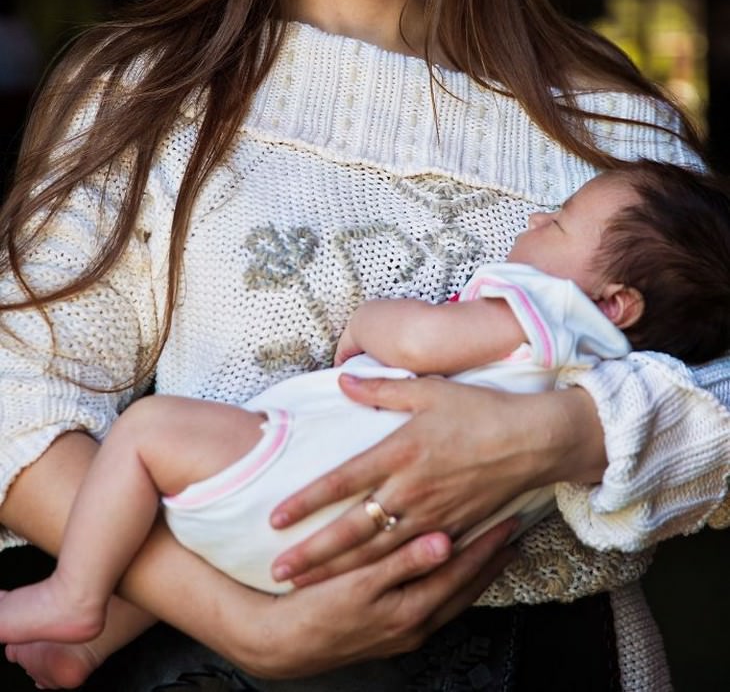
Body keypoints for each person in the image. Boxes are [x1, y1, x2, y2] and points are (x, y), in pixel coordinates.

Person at [1, 0, 728, 692]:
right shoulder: (155, 95)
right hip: (219, 666)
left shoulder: (604, 119)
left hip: (559, 667)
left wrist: (560, 437)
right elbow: (15, 399)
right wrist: (243, 622)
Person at [1, 159, 729, 681]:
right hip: (374, 559)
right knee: (205, 543)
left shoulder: (548, 314)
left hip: (305, 474)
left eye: (561, 220)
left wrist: (371, 322)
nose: (539, 217)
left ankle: (75, 595)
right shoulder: (612, 365)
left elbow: (417, 341)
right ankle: (86, 647)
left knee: (146, 436)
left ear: (614, 305)